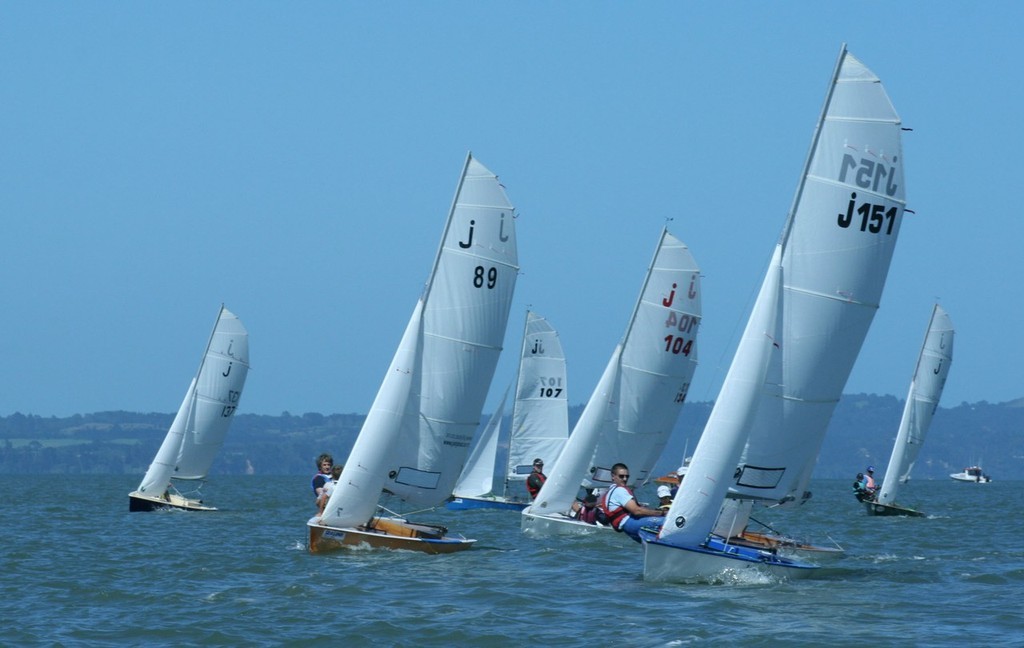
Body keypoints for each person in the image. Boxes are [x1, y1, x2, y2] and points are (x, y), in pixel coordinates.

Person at [599, 463, 665, 542]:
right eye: (621, 476)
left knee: (657, 538)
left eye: (627, 476)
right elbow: (637, 511)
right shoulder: (619, 491)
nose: (624, 479)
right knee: (667, 521)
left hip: (627, 527)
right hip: (630, 524)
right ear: (613, 476)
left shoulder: (611, 490)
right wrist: (662, 513)